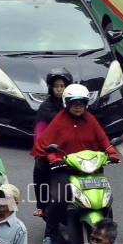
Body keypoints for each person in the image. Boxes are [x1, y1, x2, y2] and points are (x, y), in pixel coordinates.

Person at [31, 84, 120, 244]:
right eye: (74, 103)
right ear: (67, 103)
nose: (78, 106)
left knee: (105, 198)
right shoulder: (59, 120)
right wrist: (54, 159)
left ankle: (110, 236)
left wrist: (111, 152)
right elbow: (46, 143)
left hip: (90, 169)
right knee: (59, 198)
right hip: (65, 169)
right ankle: (49, 237)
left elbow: (103, 139)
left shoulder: (90, 120)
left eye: (82, 103)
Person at [31, 68, 72, 218]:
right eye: (56, 86)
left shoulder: (74, 105)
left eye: (62, 86)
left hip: (71, 152)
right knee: (39, 167)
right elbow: (39, 133)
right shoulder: (45, 107)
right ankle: (41, 205)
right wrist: (45, 150)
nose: (59, 89)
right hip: (49, 151)